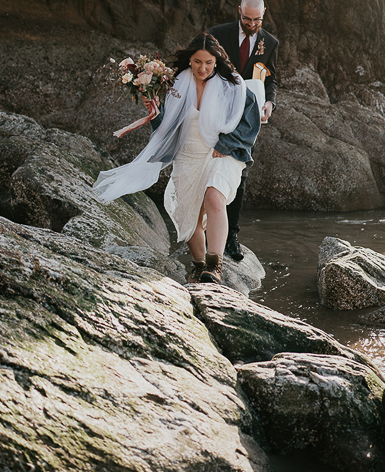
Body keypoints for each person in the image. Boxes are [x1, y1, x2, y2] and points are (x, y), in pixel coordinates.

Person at [93, 33, 261, 284]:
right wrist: (155, 113)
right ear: (189, 60)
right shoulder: (176, 85)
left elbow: (251, 118)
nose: (202, 68)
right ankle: (200, 265)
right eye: (197, 62)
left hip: (220, 152)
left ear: (217, 61)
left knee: (215, 197)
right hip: (188, 154)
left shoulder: (232, 85)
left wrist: (227, 144)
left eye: (208, 63)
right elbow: (167, 128)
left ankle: (216, 266)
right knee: (189, 216)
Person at [210, 0, 278, 261]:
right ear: (239, 11)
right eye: (247, 19)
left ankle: (231, 236)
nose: (251, 24)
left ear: (264, 14)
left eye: (257, 20)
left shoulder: (270, 42)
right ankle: (207, 229)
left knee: (240, 171)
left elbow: (271, 79)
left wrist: (270, 103)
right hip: (217, 109)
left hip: (248, 117)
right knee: (211, 163)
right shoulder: (218, 34)